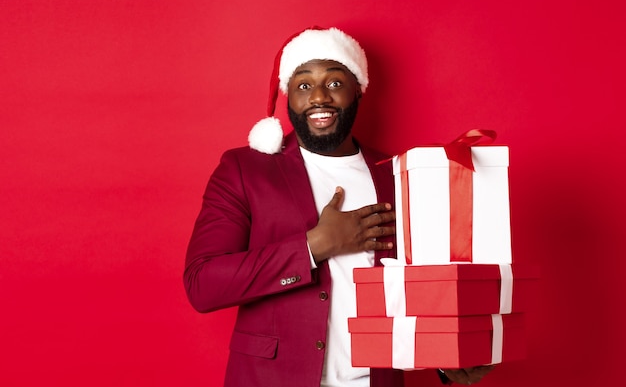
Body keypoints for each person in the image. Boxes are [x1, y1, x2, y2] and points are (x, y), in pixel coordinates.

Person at [183, 27, 493, 387]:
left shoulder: (398, 175)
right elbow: (203, 284)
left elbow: (416, 289)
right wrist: (313, 246)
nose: (319, 97)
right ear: (287, 96)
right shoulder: (244, 170)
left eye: (334, 83)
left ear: (357, 89)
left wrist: (445, 360)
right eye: (303, 84)